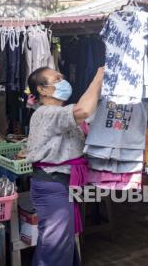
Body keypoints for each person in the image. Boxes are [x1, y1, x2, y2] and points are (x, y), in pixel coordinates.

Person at [26, 66, 104, 266]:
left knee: (60, 244)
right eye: (57, 78)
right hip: (53, 186)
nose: (63, 81)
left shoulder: (59, 114)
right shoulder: (46, 113)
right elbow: (83, 110)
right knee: (55, 247)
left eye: (62, 77)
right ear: (42, 90)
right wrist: (98, 77)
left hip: (60, 184)